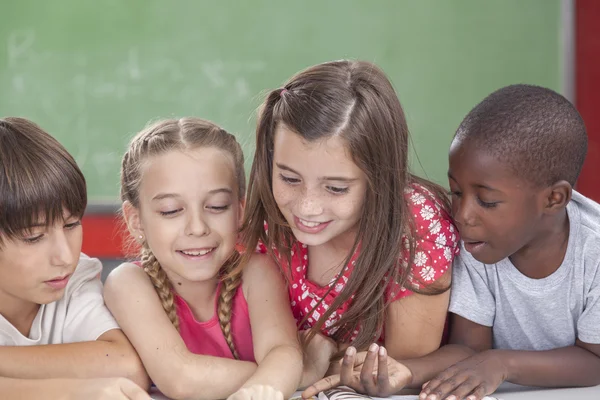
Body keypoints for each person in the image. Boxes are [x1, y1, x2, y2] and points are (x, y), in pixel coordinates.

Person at [308, 84, 600, 400]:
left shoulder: (593, 251)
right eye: (457, 192)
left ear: (554, 198)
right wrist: (405, 371)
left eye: (487, 201)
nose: (462, 215)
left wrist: (501, 363)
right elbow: (467, 348)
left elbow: (595, 361)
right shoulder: (478, 241)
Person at [241, 60, 459, 387]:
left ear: (379, 178)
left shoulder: (415, 229)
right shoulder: (269, 219)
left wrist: (313, 361)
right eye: (289, 178)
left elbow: (396, 372)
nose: (307, 207)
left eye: (336, 188)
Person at [104, 117, 302, 400]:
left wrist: (276, 376)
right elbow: (181, 378)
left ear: (239, 211)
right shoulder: (128, 283)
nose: (197, 227)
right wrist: (300, 372)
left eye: (217, 206)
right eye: (171, 210)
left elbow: (282, 352)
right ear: (136, 221)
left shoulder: (257, 272)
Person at [0, 117, 150, 399]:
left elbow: (127, 367)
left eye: (71, 225)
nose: (65, 256)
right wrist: (70, 390)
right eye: (33, 237)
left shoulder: (74, 280)